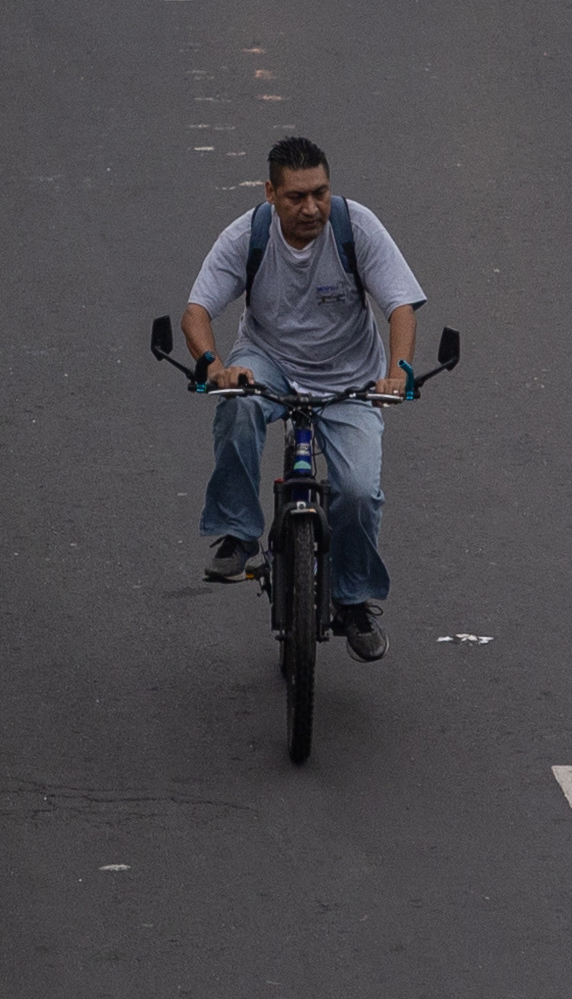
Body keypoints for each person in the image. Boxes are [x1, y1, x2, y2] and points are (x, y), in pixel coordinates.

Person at [179, 136, 427, 662]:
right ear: (271, 193)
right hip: (269, 361)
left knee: (357, 491)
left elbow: (400, 306)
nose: (311, 208)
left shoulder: (355, 227)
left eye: (320, 193)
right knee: (238, 407)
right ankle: (238, 534)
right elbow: (197, 312)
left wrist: (398, 373)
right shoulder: (247, 235)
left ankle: (355, 602)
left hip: (349, 380)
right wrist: (217, 367)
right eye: (295, 197)